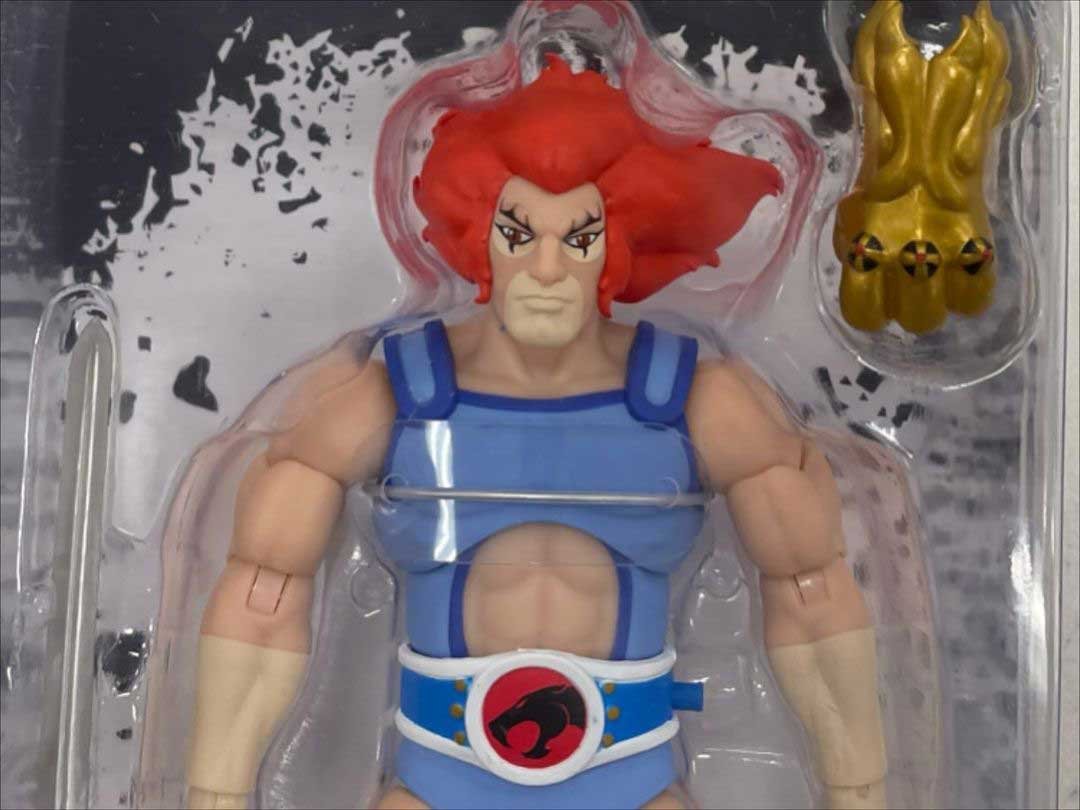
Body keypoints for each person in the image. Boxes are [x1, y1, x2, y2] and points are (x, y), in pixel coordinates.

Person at [185, 56, 886, 810]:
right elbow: (263, 592)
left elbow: (812, 595)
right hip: (438, 772)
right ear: (477, 234)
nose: (546, 268)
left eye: (579, 240)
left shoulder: (699, 401)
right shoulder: (391, 393)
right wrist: (214, 791)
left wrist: (858, 787)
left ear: (619, 246)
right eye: (518, 234)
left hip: (632, 772)